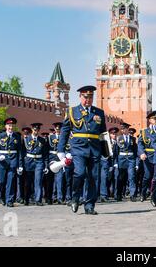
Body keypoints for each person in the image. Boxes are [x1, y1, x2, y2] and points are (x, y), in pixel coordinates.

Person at [57, 85, 107, 215]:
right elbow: (65, 132)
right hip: (78, 148)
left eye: (91, 97)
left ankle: (89, 205)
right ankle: (75, 197)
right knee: (79, 173)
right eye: (86, 97)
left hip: (95, 149)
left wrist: (106, 151)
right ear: (80, 97)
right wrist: (60, 150)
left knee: (93, 177)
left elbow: (102, 134)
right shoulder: (72, 111)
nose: (88, 99)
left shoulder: (99, 113)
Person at [0, 117, 22, 207]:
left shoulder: (17, 137)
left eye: (12, 125)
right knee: (1, 182)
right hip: (2, 161)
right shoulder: (0, 136)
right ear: (6, 126)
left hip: (13, 160)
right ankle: (1, 197)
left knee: (11, 181)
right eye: (9, 125)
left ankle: (9, 200)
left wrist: (19, 165)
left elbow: (20, 151)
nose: (11, 127)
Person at [21, 123, 49, 206]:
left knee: (38, 181)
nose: (35, 131)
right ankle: (26, 199)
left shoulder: (42, 140)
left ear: (39, 130)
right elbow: (22, 153)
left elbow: (45, 154)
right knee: (28, 181)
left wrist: (46, 165)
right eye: (34, 129)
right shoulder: (26, 139)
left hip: (39, 161)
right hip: (29, 161)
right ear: (32, 130)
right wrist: (21, 164)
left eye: (37, 130)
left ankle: (38, 199)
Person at [113, 122, 139, 202]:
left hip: (131, 159)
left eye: (124, 128)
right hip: (121, 159)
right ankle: (118, 195)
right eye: (122, 129)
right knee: (120, 178)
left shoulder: (133, 139)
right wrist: (115, 162)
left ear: (127, 129)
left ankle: (132, 195)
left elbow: (135, 151)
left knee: (132, 177)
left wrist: (136, 163)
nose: (123, 130)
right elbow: (116, 152)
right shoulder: (118, 138)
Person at [138, 111, 156, 202]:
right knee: (147, 176)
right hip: (147, 156)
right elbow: (140, 144)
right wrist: (142, 153)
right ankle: (143, 193)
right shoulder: (144, 132)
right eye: (154, 119)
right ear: (150, 120)